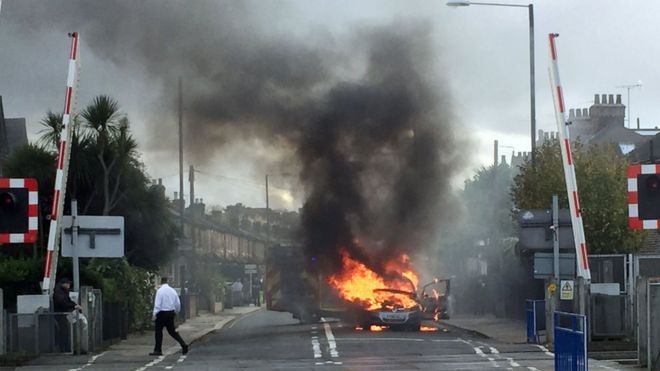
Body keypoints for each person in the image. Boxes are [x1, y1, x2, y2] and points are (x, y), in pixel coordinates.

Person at [150, 277, 188, 356]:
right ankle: (183, 344)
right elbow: (177, 303)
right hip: (171, 313)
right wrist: (176, 312)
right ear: (167, 282)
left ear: (161, 282)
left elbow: (157, 304)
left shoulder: (159, 291)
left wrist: (154, 314)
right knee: (172, 331)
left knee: (158, 331)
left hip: (161, 313)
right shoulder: (172, 291)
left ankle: (158, 350)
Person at [52, 278, 81, 352]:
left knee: (64, 330)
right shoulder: (59, 291)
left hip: (62, 313)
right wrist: (73, 306)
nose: (69, 285)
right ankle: (64, 348)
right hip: (60, 313)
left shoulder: (63, 291)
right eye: (67, 283)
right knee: (63, 331)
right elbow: (62, 302)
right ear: (63, 284)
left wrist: (74, 305)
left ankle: (66, 348)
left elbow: (67, 300)